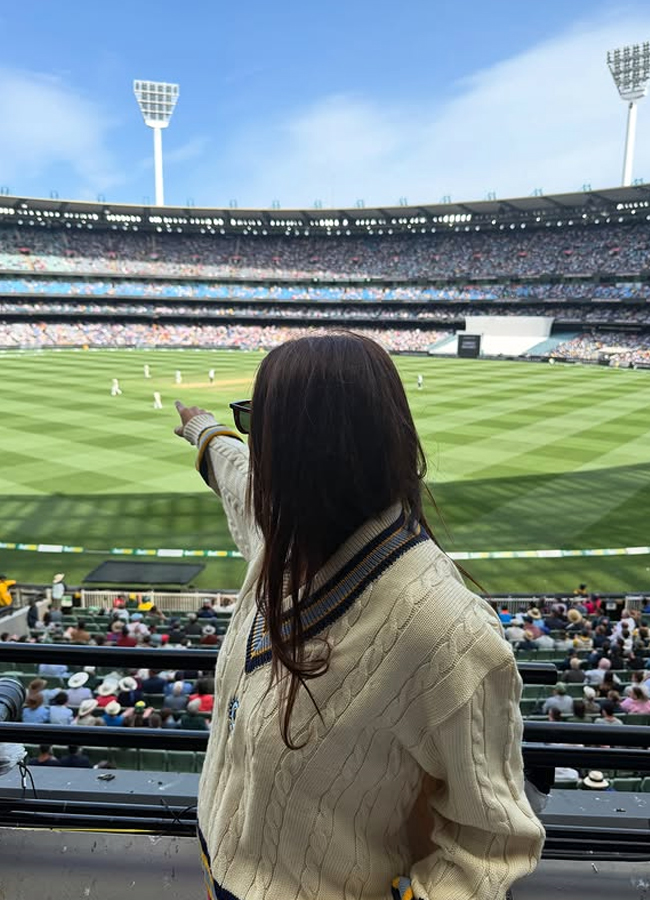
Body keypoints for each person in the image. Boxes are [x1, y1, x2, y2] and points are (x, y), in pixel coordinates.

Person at [174, 334, 545, 900]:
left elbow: (491, 845)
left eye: (260, 428)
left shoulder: (446, 628)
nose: (256, 450)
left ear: (304, 455)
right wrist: (206, 432)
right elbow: (238, 480)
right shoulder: (284, 539)